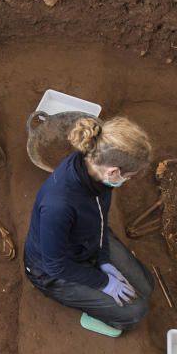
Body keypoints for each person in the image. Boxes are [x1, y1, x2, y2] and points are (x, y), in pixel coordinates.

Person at [24, 116, 155, 332]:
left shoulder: (96, 173)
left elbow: (101, 220)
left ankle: (96, 277)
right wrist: (104, 282)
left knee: (146, 286)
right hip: (51, 271)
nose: (129, 180)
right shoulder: (58, 205)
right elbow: (54, 265)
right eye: (130, 176)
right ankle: (99, 315)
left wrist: (103, 260)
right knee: (135, 311)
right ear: (114, 172)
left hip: (87, 240)